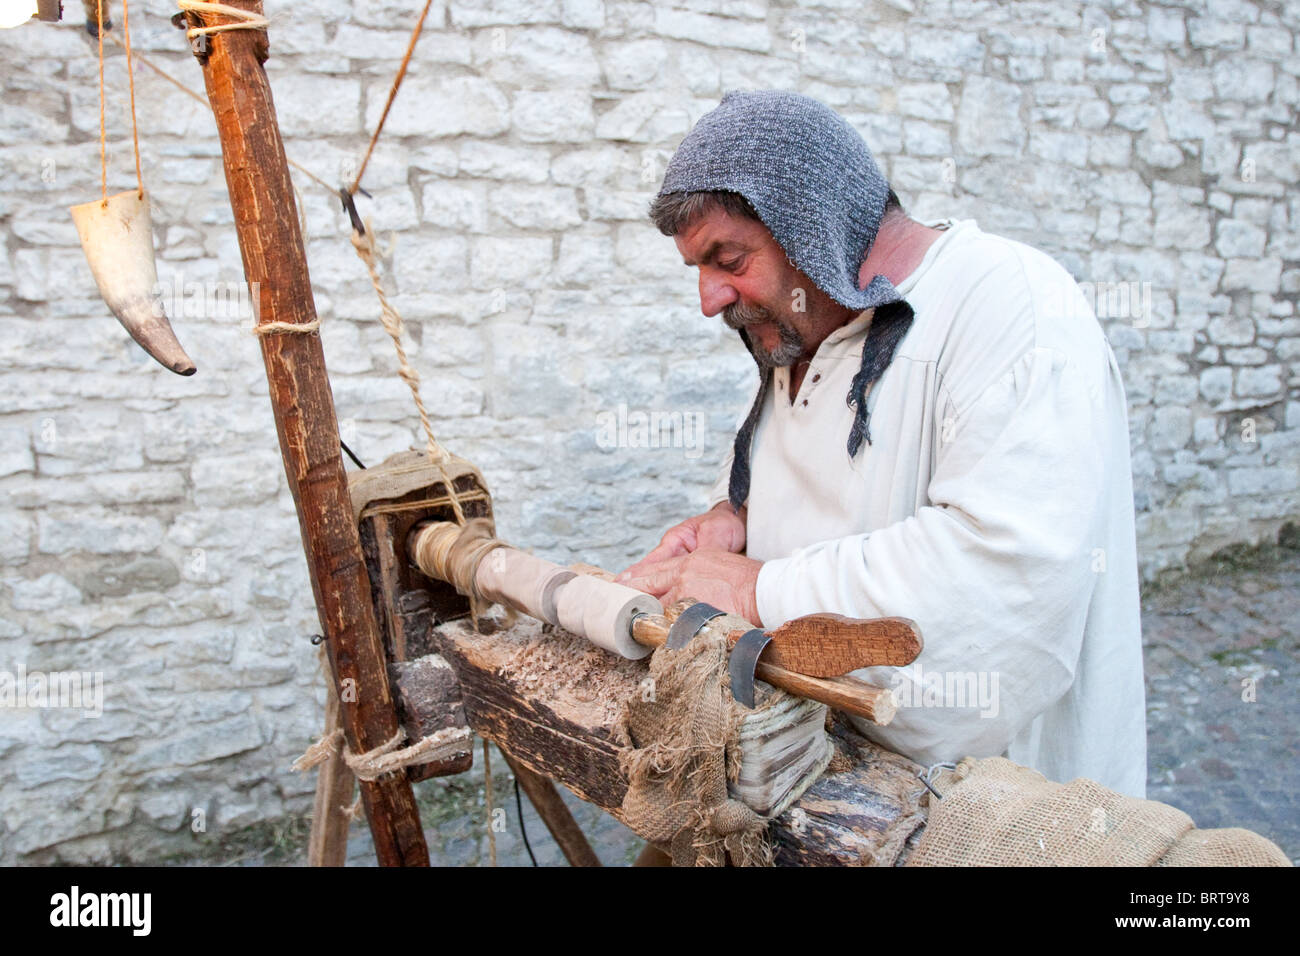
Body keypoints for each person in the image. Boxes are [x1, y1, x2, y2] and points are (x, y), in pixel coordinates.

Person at [616, 90, 1147, 797]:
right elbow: (812, 470)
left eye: (727, 258)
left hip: (993, 814)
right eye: (699, 269)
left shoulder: (1011, 308)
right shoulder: (809, 325)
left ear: (813, 224)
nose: (709, 298)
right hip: (813, 781)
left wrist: (755, 589)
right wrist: (733, 519)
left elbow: (1002, 580)